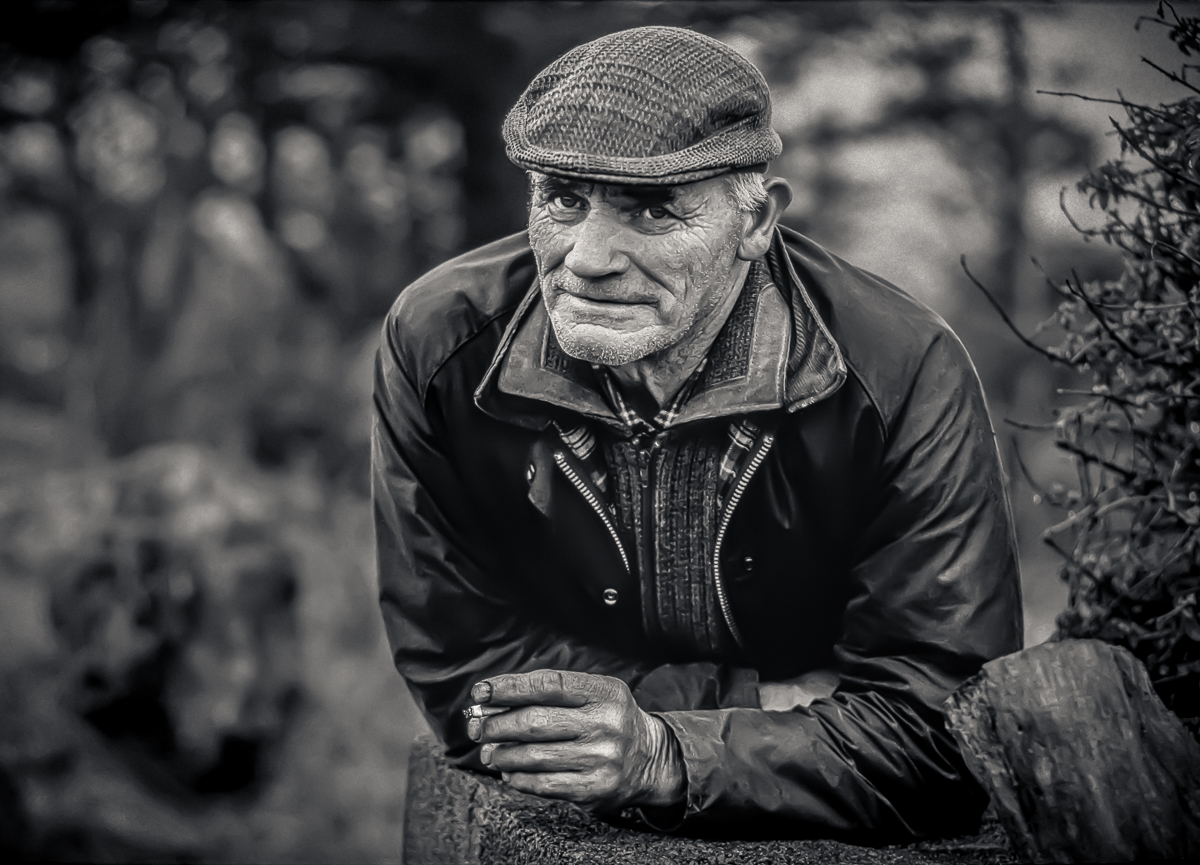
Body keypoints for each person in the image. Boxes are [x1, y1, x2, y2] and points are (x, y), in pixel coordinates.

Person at [372, 25, 1022, 842]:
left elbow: (942, 728)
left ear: (758, 223)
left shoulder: (901, 371)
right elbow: (461, 670)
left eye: (652, 208)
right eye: (564, 199)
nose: (588, 258)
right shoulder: (441, 345)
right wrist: (765, 704)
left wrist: (665, 754)